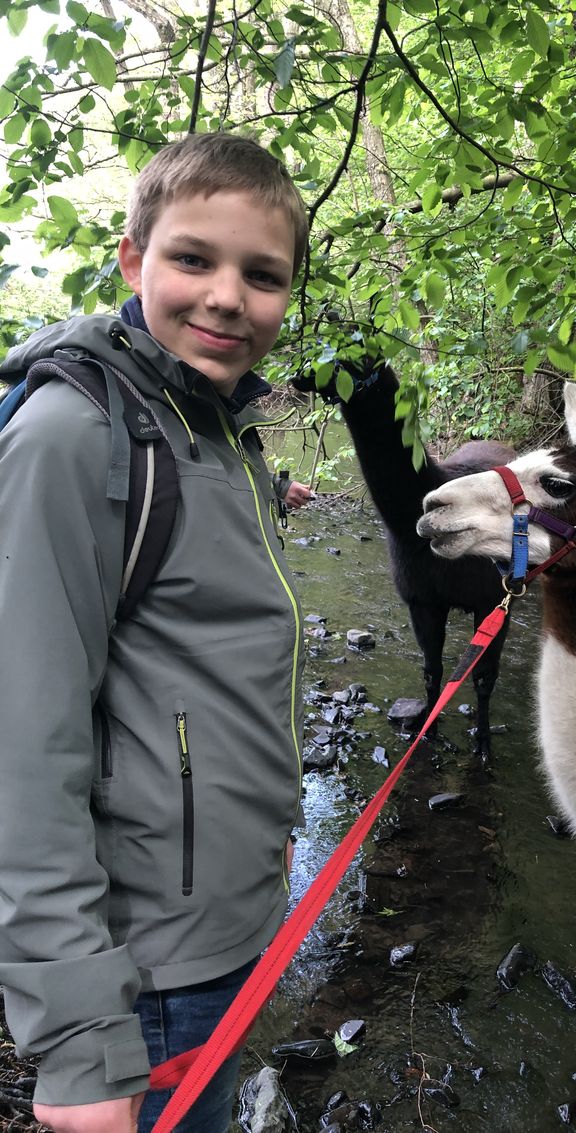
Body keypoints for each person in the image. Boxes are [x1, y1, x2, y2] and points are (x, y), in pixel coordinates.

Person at [0, 132, 311, 1133]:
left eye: (262, 275)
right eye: (193, 258)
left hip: (225, 923)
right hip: (147, 970)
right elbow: (23, 744)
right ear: (134, 259)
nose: (227, 297)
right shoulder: (75, 437)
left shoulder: (215, 426)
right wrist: (81, 1039)